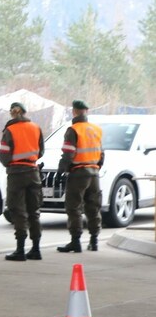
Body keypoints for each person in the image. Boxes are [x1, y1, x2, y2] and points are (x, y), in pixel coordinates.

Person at [0, 102, 45, 261]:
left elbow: (4, 155)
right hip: (33, 172)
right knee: (34, 211)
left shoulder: (10, 130)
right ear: (25, 112)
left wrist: (10, 163)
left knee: (18, 211)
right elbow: (41, 151)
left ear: (12, 113)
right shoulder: (36, 127)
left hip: (16, 174)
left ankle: (20, 250)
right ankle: (36, 249)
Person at [57, 100, 104, 253]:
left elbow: (68, 154)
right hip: (94, 173)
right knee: (93, 206)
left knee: (74, 207)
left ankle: (75, 242)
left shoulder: (73, 130)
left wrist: (61, 170)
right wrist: (96, 168)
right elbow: (101, 154)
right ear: (87, 111)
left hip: (78, 173)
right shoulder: (96, 129)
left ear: (74, 112)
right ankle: (94, 240)